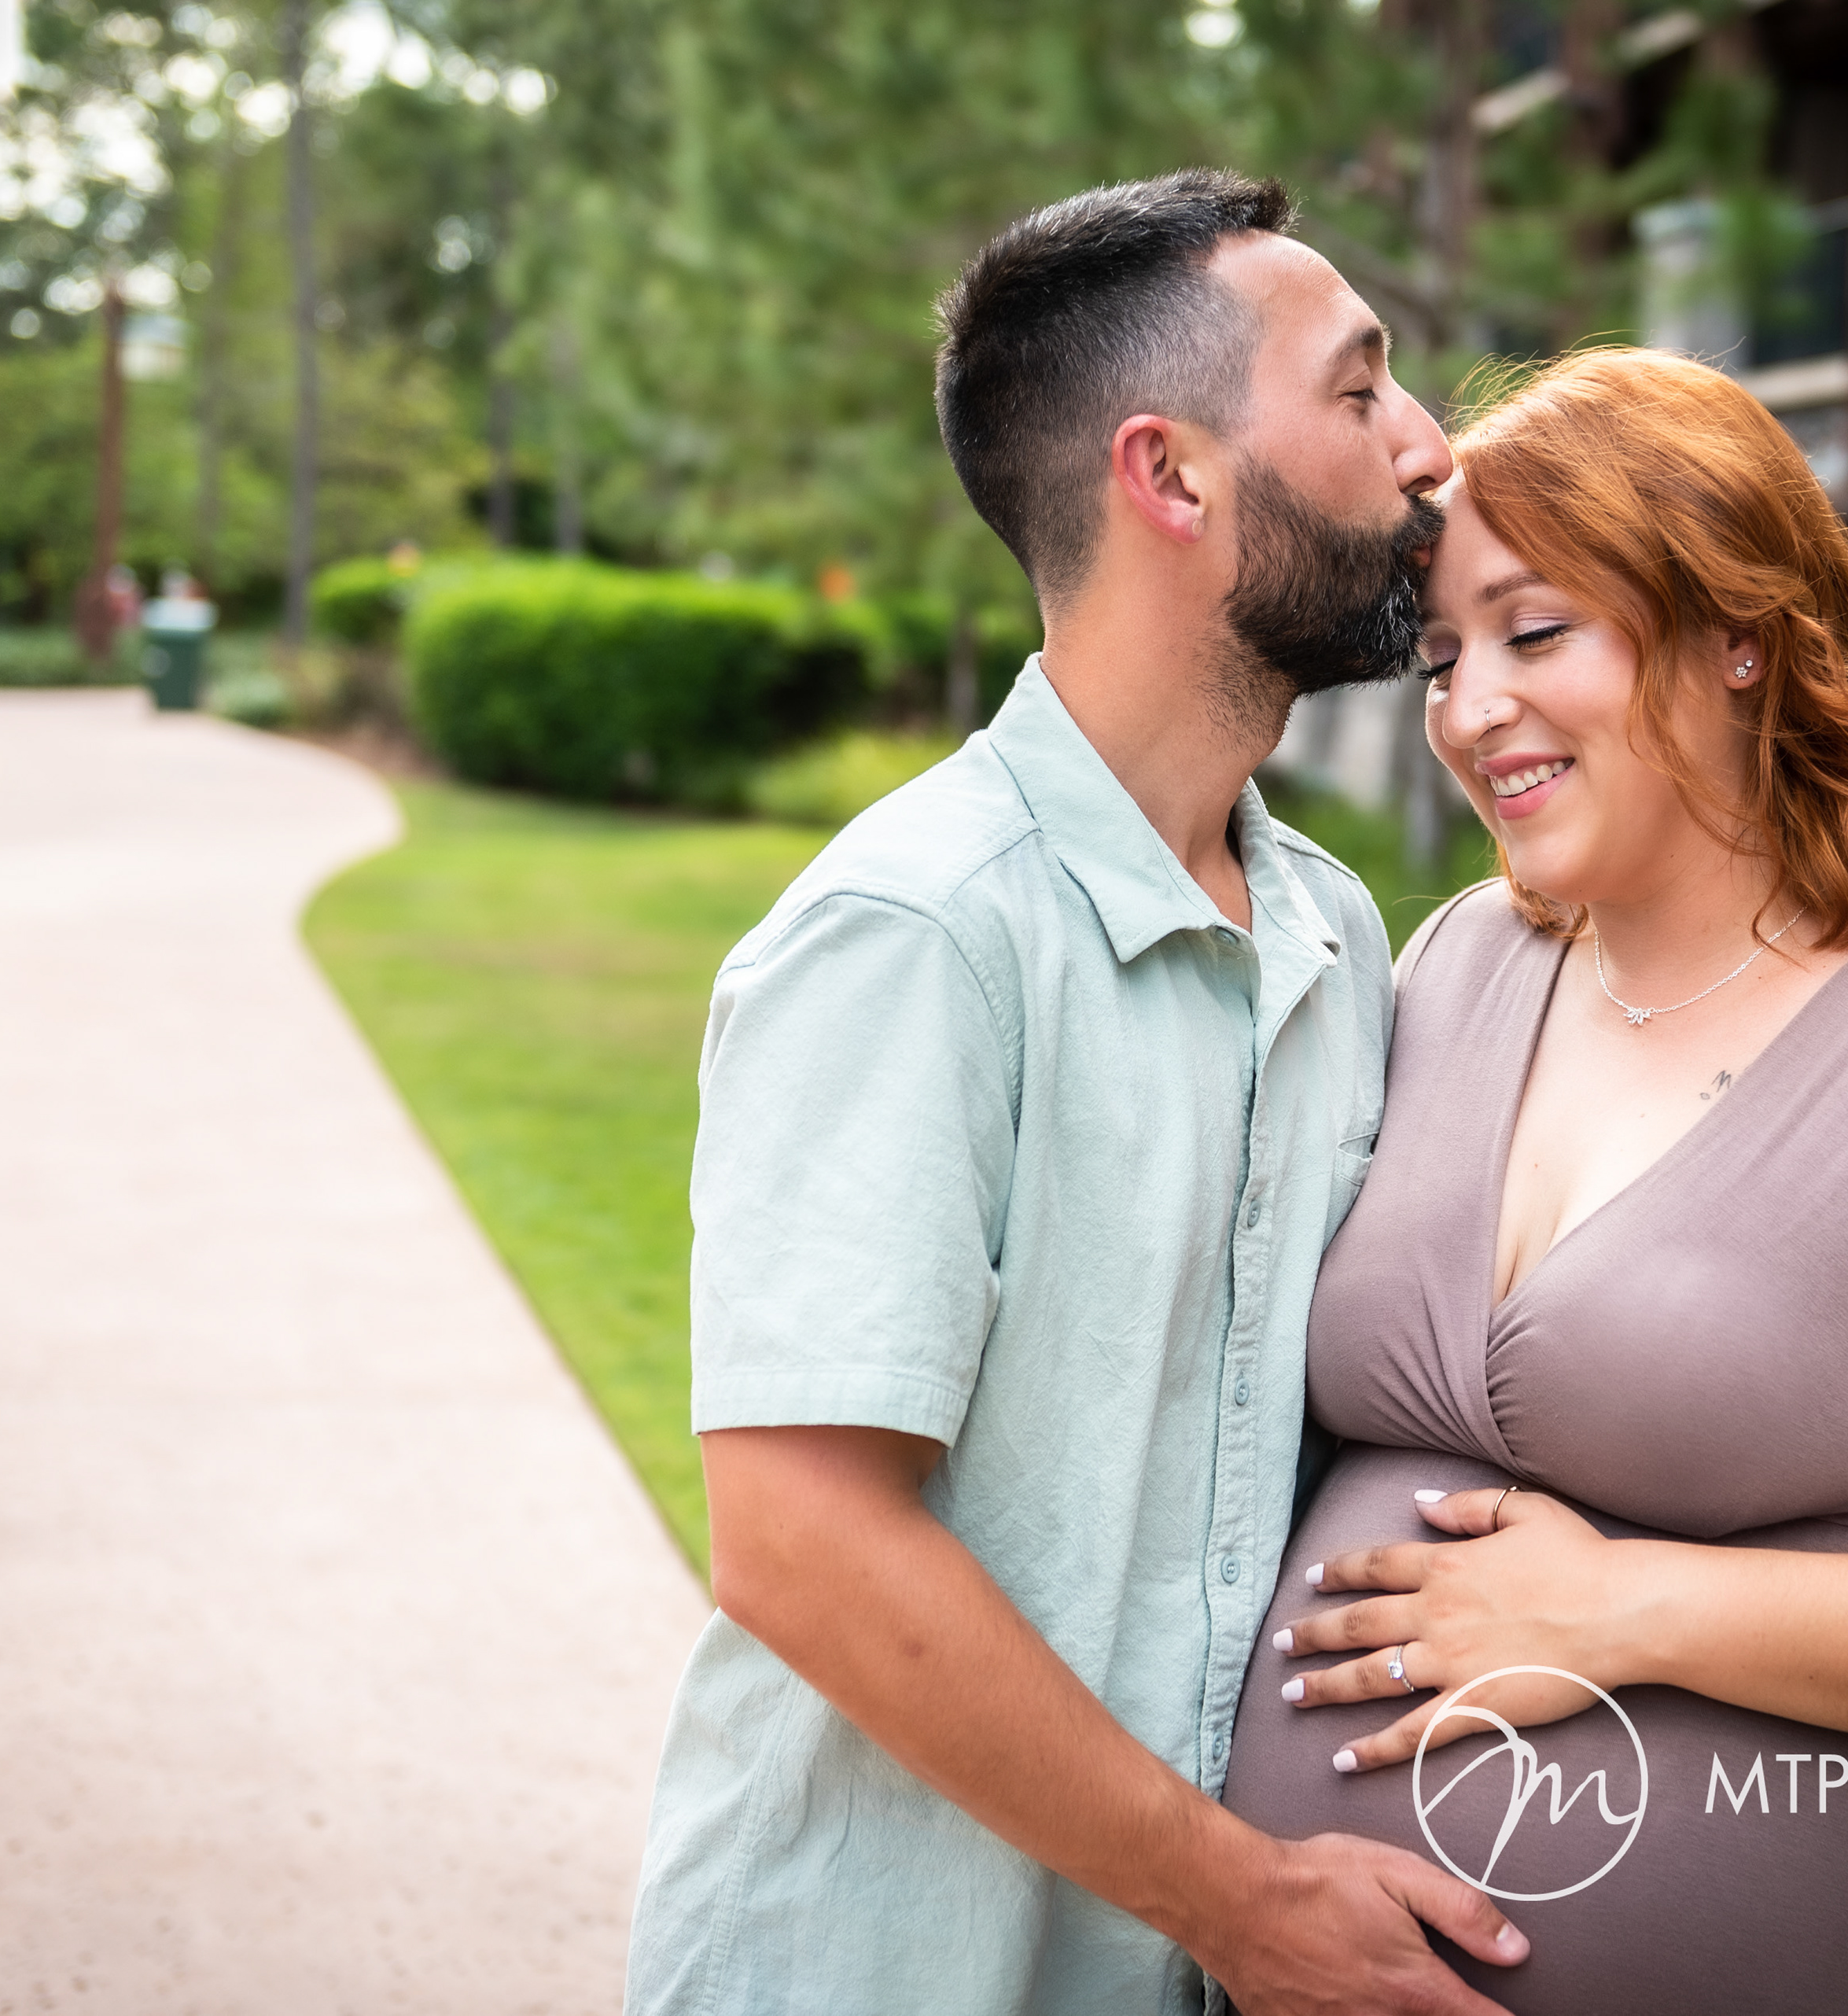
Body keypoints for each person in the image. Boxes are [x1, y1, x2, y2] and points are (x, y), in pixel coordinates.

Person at [1218, 348, 1848, 2014]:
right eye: (1444, 657)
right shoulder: (1464, 962)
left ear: (1738, 633)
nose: (1472, 711)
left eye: (1538, 633)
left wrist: (1625, 1607)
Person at [625, 170, 1534, 2015]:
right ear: (1174, 476)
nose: (1430, 446)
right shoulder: (915, 935)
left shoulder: (1341, 931)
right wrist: (1245, 1901)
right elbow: (801, 1546)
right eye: (1361, 391)